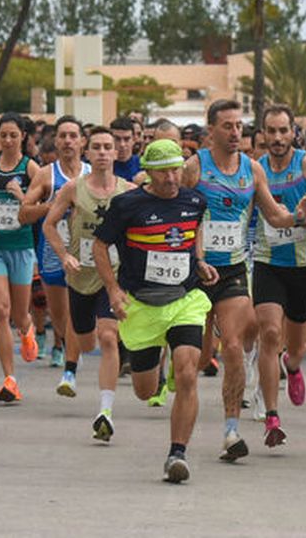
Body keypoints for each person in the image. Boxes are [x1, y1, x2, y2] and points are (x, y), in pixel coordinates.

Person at [183, 99, 306, 462]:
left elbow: (274, 215)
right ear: (211, 130)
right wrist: (195, 256)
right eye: (227, 126)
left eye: (239, 125)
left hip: (234, 270)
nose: (235, 132)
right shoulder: (195, 168)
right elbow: (181, 214)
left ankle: (231, 431)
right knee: (195, 360)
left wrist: (298, 216)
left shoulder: (252, 169)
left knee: (235, 346)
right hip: (195, 270)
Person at [93, 138, 218, 483]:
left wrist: (200, 261)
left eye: (176, 169)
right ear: (147, 172)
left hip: (183, 300)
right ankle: (159, 369)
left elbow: (194, 232)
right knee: (145, 391)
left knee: (189, 373)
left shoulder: (195, 201)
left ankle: (177, 454)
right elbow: (100, 246)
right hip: (142, 305)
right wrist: (113, 290)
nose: (171, 178)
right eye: (163, 172)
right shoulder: (126, 205)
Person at [250, 105, 306, 448]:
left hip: (303, 264)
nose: (278, 137)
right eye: (271, 131)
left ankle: (293, 366)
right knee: (269, 333)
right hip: (267, 261)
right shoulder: (255, 168)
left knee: (297, 345)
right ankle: (272, 416)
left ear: (293, 133)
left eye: (283, 130)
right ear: (263, 134)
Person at [45, 125, 134, 441]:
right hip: (81, 274)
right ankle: (76, 359)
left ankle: (105, 411)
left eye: (108, 147)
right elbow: (49, 225)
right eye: (96, 147)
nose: (103, 152)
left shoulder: (128, 191)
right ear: (87, 152)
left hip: (114, 276)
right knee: (86, 341)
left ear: (116, 153)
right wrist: (63, 255)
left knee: (108, 336)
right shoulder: (73, 188)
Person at [19, 116, 90, 385]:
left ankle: (70, 364)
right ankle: (68, 345)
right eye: (63, 136)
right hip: (52, 251)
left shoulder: (92, 173)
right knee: (59, 318)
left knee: (81, 313)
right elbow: (24, 214)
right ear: (56, 141)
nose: (68, 141)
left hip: (86, 252)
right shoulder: (46, 174)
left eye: (73, 136)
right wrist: (55, 206)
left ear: (83, 141)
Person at [0, 113, 40, 403]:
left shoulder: (31, 169)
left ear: (23, 137)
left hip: (21, 246)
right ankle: (10, 378)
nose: (7, 140)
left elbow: (40, 208)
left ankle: (27, 329)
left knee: (18, 314)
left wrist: (20, 197)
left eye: (13, 135)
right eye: (3, 135)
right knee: (1, 310)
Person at [111, 117, 143, 181]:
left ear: (134, 139)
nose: (122, 144)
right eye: (117, 139)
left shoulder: (143, 166)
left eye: (126, 139)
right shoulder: (104, 166)